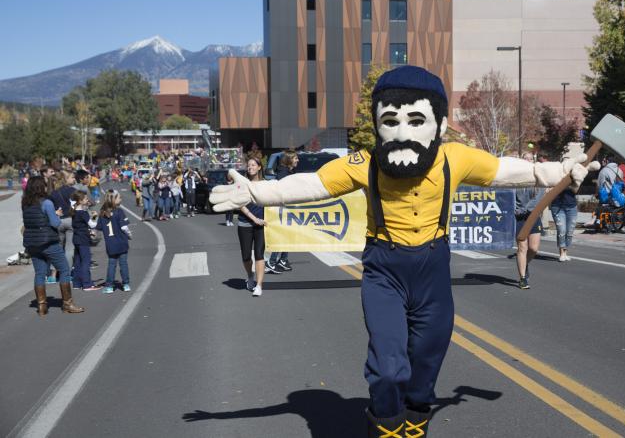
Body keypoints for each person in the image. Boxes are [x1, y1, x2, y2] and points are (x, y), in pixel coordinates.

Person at [209, 65, 597, 436]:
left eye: (416, 121)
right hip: (384, 272)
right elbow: (313, 184)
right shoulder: (365, 163)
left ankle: (414, 423)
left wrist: (554, 171)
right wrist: (258, 192)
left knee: (427, 363)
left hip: (433, 271)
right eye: (391, 122)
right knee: (388, 369)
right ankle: (383, 426)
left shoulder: (454, 157)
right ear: (378, 124)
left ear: (440, 126)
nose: (402, 132)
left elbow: (506, 170)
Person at [22, 176, 84, 315]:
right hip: (48, 242)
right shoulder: (47, 203)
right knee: (64, 269)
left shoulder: (25, 203)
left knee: (39, 273)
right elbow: (55, 223)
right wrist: (56, 215)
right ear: (41, 188)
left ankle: (42, 306)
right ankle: (67, 303)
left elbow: (32, 221)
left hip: (32, 243)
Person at [236, 156, 267, 297]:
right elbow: (240, 204)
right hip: (245, 223)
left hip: (262, 225)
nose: (250, 167)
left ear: (259, 167)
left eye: (253, 165)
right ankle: (250, 275)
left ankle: (259, 285)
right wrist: (255, 219)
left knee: (259, 254)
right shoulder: (242, 184)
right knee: (246, 256)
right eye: (248, 165)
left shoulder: (266, 184)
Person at [515, 152, 545, 288]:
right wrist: (516, 210)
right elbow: (509, 196)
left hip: (533, 216)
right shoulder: (515, 178)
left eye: (530, 159)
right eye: (525, 158)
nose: (527, 160)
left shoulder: (538, 177)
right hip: (519, 218)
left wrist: (526, 209)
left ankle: (525, 264)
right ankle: (522, 278)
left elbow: (539, 197)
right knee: (522, 247)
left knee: (533, 249)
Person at [267, 150, 299, 273]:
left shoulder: (290, 172)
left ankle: (283, 259)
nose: (298, 160)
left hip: (289, 208)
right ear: (290, 159)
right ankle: (272, 261)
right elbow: (284, 191)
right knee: (282, 235)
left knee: (287, 235)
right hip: (282, 209)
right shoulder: (283, 173)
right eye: (296, 158)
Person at [96, 190, 132, 293]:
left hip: (111, 244)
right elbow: (124, 227)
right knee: (123, 264)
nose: (121, 199)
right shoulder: (119, 211)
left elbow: (98, 227)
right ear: (113, 200)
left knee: (112, 264)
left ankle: (109, 286)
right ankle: (126, 284)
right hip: (122, 242)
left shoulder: (102, 213)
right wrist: (129, 235)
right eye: (119, 197)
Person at [70, 191, 101, 291]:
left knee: (77, 262)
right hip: (83, 239)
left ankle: (76, 283)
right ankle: (87, 284)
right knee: (86, 261)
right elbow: (92, 225)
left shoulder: (74, 212)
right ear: (80, 200)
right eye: (86, 199)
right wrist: (96, 217)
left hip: (76, 238)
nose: (87, 200)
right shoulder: (83, 213)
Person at [550, 186, 577, 262]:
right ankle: (561, 253)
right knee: (561, 230)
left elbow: (576, 190)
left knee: (569, 231)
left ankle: (565, 252)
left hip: (572, 207)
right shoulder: (556, 176)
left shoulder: (573, 177)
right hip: (557, 206)